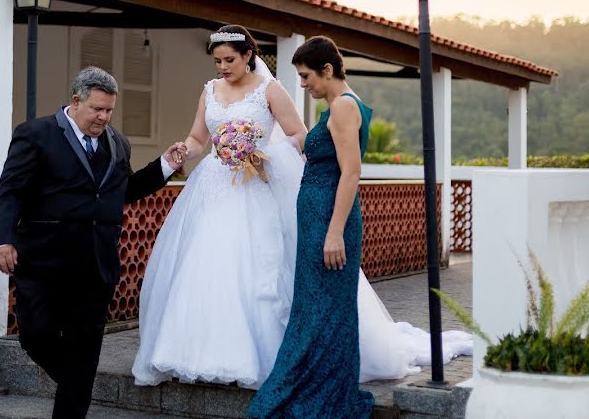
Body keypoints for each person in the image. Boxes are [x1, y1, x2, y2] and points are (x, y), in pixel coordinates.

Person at [133, 30, 472, 392]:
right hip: (213, 187)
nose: (223, 67)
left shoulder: (270, 90)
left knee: (255, 271)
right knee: (205, 267)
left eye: (229, 59)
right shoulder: (209, 91)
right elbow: (200, 139)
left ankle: (258, 358)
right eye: (217, 61)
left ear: (248, 55)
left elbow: (300, 136)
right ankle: (193, 355)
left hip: (255, 186)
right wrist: (183, 150)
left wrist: (259, 153)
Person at [0, 66, 186, 419]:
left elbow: (122, 191)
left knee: (85, 348)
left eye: (109, 110)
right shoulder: (35, 134)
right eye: (97, 109)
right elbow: (10, 191)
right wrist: (3, 240)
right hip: (44, 259)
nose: (104, 117)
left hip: (97, 262)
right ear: (76, 101)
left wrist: (164, 167)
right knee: (35, 336)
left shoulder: (118, 143)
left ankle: (73, 399)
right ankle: (76, 380)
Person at [248, 35, 376, 418]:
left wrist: (335, 232)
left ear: (327, 70)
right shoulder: (338, 108)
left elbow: (351, 173)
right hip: (319, 219)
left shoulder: (343, 109)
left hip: (330, 222)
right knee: (318, 307)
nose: (303, 85)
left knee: (324, 310)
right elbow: (321, 151)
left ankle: (321, 394)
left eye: (306, 77)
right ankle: (318, 385)